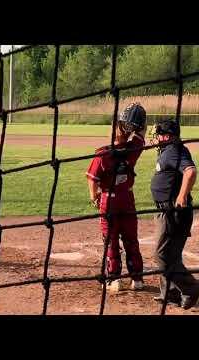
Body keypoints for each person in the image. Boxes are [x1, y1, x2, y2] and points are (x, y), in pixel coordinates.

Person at [86, 103, 147, 292]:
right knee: (131, 239)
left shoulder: (103, 154)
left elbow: (92, 179)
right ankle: (137, 280)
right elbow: (141, 134)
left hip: (109, 200)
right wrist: (136, 120)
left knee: (111, 240)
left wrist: (93, 196)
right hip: (128, 199)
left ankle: (114, 279)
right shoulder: (134, 149)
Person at [150, 118, 199, 310]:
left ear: (168, 136)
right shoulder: (168, 150)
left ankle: (192, 289)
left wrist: (181, 196)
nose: (155, 138)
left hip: (174, 212)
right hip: (165, 210)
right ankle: (169, 292)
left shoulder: (175, 151)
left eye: (158, 135)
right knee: (172, 254)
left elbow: (190, 171)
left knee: (161, 256)